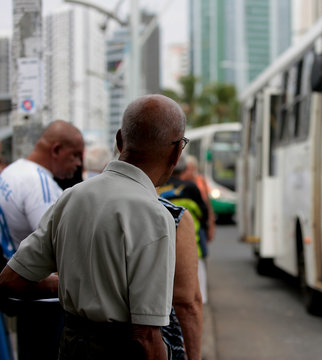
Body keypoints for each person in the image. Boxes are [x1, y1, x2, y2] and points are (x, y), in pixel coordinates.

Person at [0, 94, 187, 360]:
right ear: (177, 151)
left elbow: (10, 280)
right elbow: (146, 337)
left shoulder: (71, 197)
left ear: (120, 140)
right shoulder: (155, 216)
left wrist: (67, 285)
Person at [0, 119, 84, 360]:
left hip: (27, 295)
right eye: (75, 155)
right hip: (45, 302)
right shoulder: (40, 184)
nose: (78, 163)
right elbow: (60, 246)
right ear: (56, 150)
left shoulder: (14, 171)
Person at [160, 155, 210, 304]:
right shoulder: (191, 188)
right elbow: (203, 214)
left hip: (163, 245)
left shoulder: (157, 187)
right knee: (194, 293)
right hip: (190, 245)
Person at [158, 197, 203, 360]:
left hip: (82, 343)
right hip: (157, 343)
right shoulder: (172, 214)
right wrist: (194, 356)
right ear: (169, 168)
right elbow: (187, 302)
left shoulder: (75, 197)